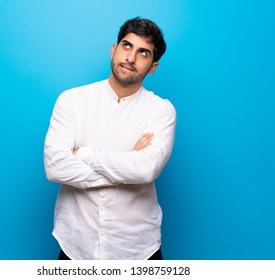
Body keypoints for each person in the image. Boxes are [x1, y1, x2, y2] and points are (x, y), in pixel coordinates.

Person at [44, 17, 176, 260]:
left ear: (153, 66)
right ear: (114, 50)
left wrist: (82, 154)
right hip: (76, 246)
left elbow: (146, 169)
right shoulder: (71, 100)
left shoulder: (161, 110)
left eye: (143, 52)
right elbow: (55, 167)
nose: (131, 57)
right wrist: (128, 165)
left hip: (138, 249)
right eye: (127, 46)